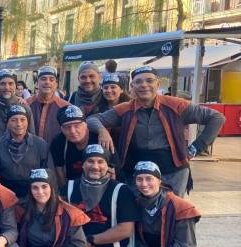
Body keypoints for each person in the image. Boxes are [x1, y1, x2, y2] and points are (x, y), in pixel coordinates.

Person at [87, 66, 225, 197]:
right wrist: (101, 130)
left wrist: (195, 148)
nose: (144, 85)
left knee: (171, 213)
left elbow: (216, 118)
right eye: (138, 82)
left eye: (149, 80)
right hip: (138, 174)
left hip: (173, 172)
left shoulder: (176, 105)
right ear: (132, 87)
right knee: (137, 214)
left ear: (158, 84)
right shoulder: (125, 109)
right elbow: (92, 119)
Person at [60, 144, 138, 247]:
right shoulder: (70, 187)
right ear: (83, 164)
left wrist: (92, 241)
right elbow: (60, 223)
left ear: (108, 165)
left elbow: (125, 229)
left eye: (100, 161)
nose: (95, 166)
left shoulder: (121, 190)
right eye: (90, 161)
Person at [0, 105, 54, 199]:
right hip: (6, 192)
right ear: (7, 123)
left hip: (34, 193)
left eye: (22, 119)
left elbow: (50, 174)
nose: (19, 124)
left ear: (28, 121)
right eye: (13, 120)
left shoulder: (40, 144)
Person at [50, 105, 100, 186]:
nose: (72, 131)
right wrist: (66, 191)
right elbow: (58, 169)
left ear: (85, 125)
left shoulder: (99, 140)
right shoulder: (58, 142)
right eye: (67, 127)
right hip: (71, 184)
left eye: (77, 125)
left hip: (98, 185)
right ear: (61, 129)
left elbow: (114, 170)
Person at [27, 66, 70, 144]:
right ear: (37, 83)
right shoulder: (26, 104)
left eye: (51, 79)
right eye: (43, 79)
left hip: (55, 154)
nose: (47, 82)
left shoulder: (66, 107)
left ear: (56, 84)